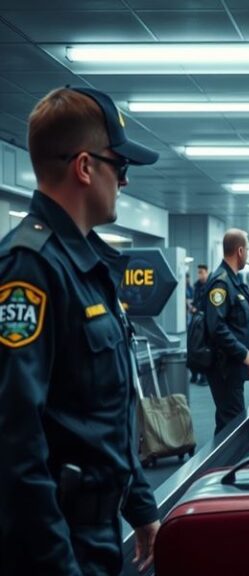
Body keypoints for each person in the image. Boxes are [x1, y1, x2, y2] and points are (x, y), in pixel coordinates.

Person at [0, 86, 160, 574]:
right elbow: (14, 443)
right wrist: (58, 563)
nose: (125, 181)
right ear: (85, 167)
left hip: (97, 529)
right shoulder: (29, 270)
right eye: (120, 166)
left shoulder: (86, 268)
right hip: (55, 543)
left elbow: (104, 409)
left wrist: (139, 504)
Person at [205, 229, 249, 435]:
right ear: (240, 251)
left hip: (233, 365)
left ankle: (221, 456)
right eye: (247, 250)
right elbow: (216, 327)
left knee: (228, 422)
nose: (248, 254)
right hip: (224, 367)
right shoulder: (221, 282)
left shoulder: (233, 281)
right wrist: (244, 353)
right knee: (232, 425)